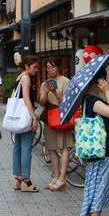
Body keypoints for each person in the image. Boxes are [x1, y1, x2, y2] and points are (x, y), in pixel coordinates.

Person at [78, 68, 109, 216]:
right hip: (103, 152)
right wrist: (108, 91)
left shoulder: (87, 100)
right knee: (99, 189)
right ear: (100, 80)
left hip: (97, 153)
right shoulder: (93, 100)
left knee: (95, 187)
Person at [38, 58, 75, 191]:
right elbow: (42, 103)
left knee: (64, 146)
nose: (50, 70)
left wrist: (57, 94)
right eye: (48, 68)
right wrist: (46, 92)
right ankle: (56, 175)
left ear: (58, 68)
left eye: (52, 68)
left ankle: (62, 178)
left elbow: (69, 101)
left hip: (62, 116)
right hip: (50, 116)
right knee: (51, 147)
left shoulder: (66, 81)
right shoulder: (45, 83)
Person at [11, 56, 40, 192]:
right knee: (26, 148)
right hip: (25, 115)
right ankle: (26, 181)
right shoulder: (27, 78)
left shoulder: (19, 77)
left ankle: (17, 179)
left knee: (18, 147)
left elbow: (13, 96)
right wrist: (33, 117)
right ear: (27, 66)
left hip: (18, 117)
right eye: (34, 67)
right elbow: (27, 99)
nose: (36, 70)